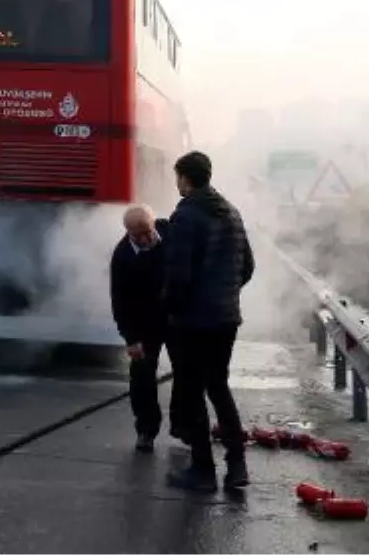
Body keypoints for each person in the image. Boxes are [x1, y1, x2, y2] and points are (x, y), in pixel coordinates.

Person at [163, 151, 256, 493]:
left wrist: (170, 309)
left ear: (185, 178)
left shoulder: (186, 215)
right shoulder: (231, 212)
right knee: (218, 386)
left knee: (190, 391)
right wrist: (224, 293)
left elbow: (178, 275)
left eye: (178, 177)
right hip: (226, 318)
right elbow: (247, 267)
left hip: (193, 321)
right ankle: (236, 465)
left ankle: (202, 469)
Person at [109, 205, 188, 453]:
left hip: (175, 318)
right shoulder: (122, 256)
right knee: (142, 377)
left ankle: (183, 426)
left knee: (186, 372)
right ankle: (146, 429)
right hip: (143, 324)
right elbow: (119, 301)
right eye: (138, 235)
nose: (145, 239)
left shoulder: (170, 231)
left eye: (148, 232)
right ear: (128, 233)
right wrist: (130, 339)